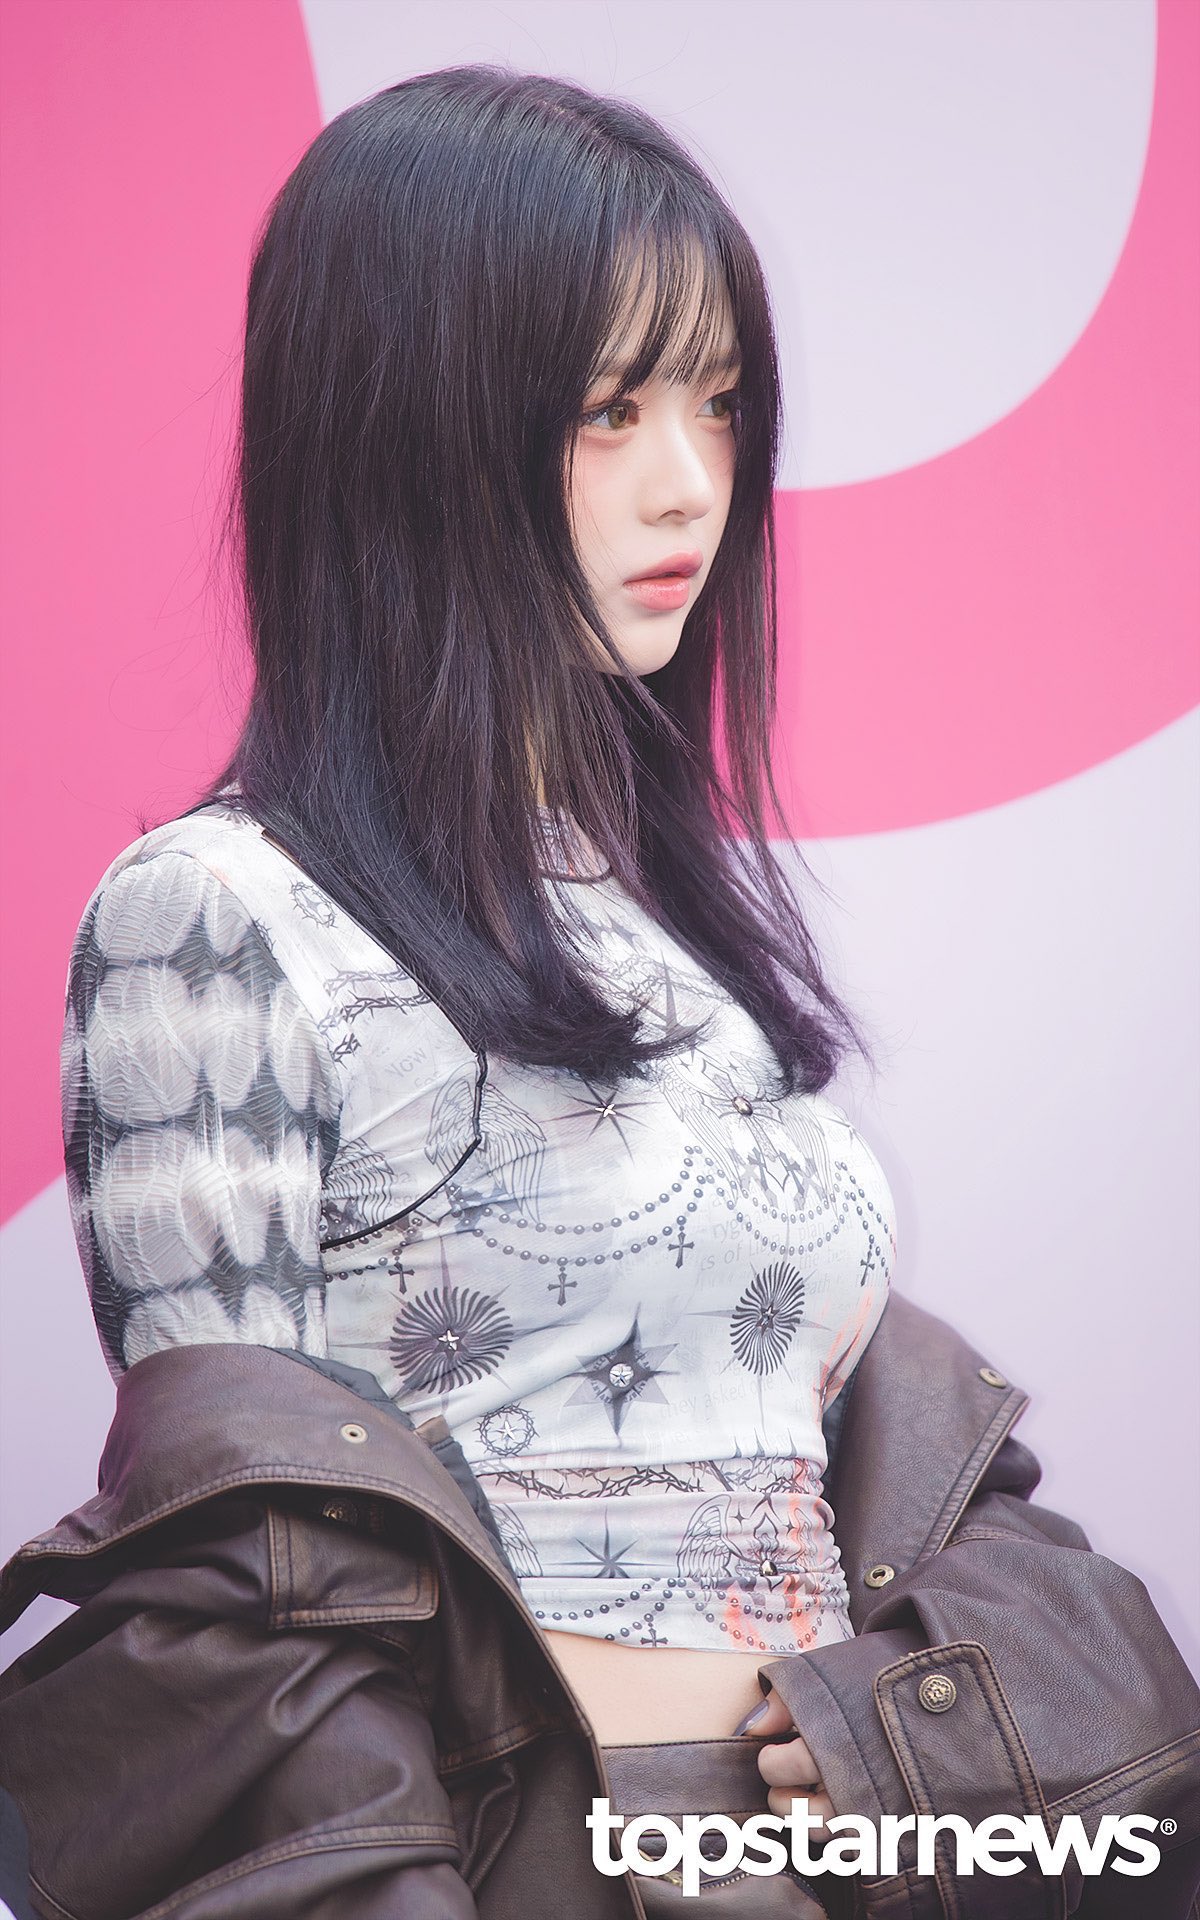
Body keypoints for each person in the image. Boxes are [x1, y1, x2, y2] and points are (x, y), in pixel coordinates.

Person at [1, 64, 1197, 1920]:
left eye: (718, 400)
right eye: (607, 408)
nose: (692, 481)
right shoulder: (217, 917)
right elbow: (238, 1596)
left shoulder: (666, 926)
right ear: (407, 431)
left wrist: (896, 1735)